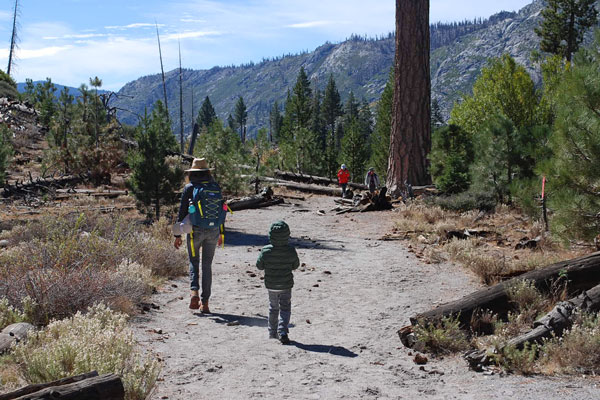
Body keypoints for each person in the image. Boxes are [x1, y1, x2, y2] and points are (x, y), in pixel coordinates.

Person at [174, 158, 224, 313]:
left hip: (195, 230)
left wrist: (177, 235)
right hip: (214, 230)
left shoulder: (190, 187)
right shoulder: (215, 187)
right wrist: (221, 232)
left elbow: (183, 211)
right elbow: (222, 210)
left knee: (193, 261)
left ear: (192, 173)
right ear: (207, 172)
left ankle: (194, 292)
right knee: (207, 265)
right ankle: (206, 303)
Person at [256, 220, 300, 345]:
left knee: (273, 308)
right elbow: (295, 265)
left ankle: (272, 332)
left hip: (271, 285)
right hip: (286, 284)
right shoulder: (291, 250)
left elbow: (259, 266)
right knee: (285, 308)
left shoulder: (265, 251)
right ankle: (283, 331)